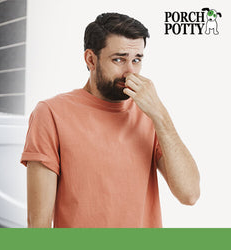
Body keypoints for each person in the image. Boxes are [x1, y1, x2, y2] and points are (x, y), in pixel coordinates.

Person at [20, 13, 200, 228]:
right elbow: (38, 223)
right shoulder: (50, 113)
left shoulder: (150, 114)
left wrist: (160, 114)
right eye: (119, 59)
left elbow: (189, 195)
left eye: (137, 60)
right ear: (90, 59)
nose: (130, 72)